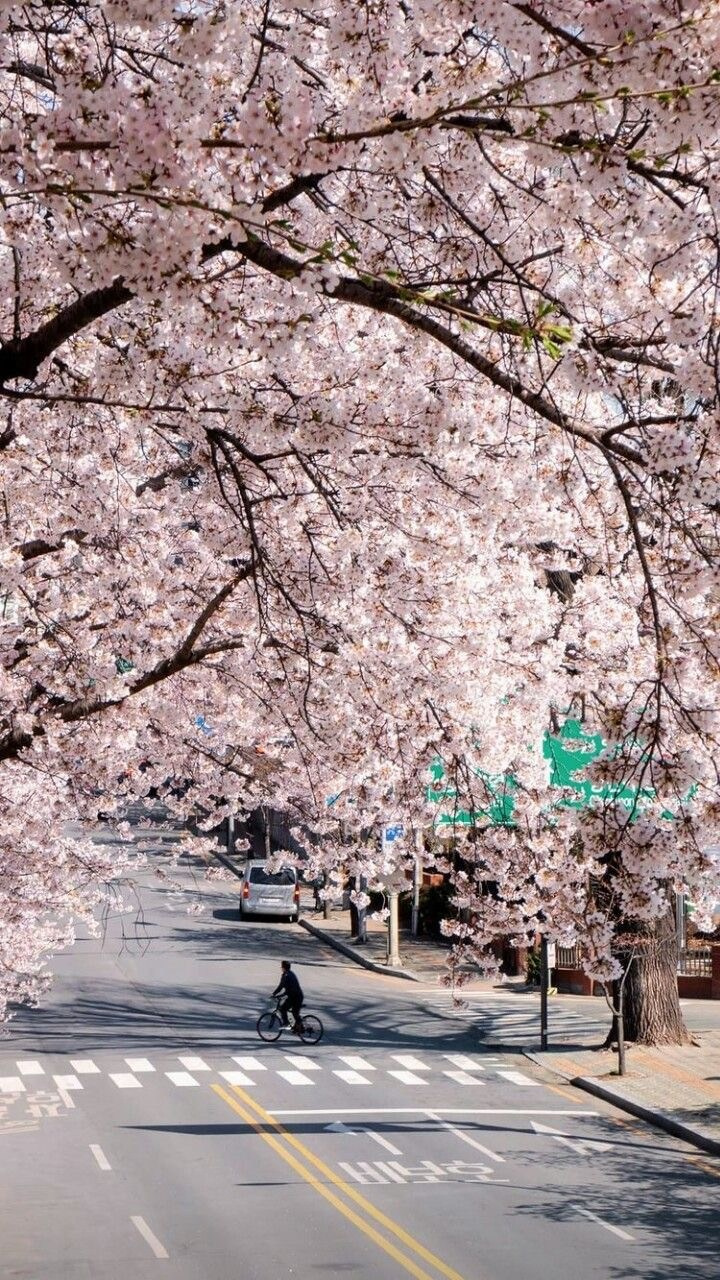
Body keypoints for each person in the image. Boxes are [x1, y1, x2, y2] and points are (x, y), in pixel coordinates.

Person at [273, 959, 304, 1032]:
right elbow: (282, 987)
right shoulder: (290, 973)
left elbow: (283, 987)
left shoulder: (286, 975)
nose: (281, 968)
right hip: (295, 996)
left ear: (283, 968)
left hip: (296, 997)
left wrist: (275, 994)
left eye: (281, 967)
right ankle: (298, 1027)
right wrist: (276, 994)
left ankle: (287, 1024)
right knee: (294, 1012)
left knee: (283, 1009)